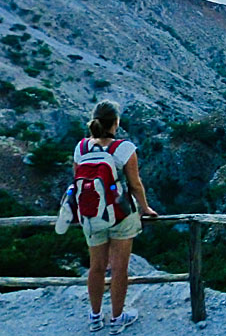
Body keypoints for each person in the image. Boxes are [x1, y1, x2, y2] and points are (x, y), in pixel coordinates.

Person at [73, 100, 158, 334]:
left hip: (91, 214)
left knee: (96, 267)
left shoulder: (80, 148)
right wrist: (146, 208)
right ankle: (118, 318)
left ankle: (95, 317)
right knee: (120, 268)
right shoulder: (125, 148)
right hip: (121, 215)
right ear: (116, 123)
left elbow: (78, 182)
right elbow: (135, 184)